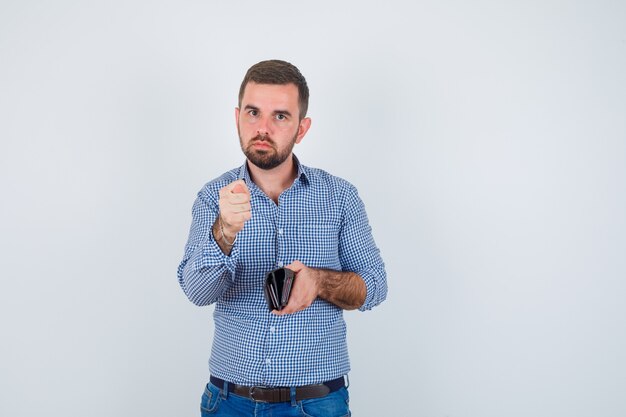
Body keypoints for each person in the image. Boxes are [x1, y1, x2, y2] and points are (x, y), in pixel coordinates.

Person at [177, 59, 387, 416]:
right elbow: (197, 293)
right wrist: (224, 232)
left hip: (317, 404)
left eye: (280, 116)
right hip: (229, 403)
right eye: (253, 112)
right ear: (237, 117)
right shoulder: (214, 197)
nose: (262, 128)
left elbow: (375, 287)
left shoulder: (339, 197)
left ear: (301, 129)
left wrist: (318, 281)